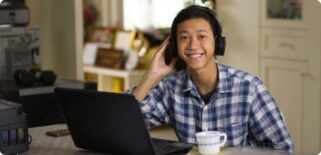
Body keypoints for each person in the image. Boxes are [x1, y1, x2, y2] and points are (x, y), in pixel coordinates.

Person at [131, 5, 294, 153]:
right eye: (184, 37)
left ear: (217, 43)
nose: (193, 46)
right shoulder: (170, 87)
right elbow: (126, 125)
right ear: (174, 46)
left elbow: (283, 148)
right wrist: (151, 75)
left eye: (201, 36)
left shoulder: (250, 88)